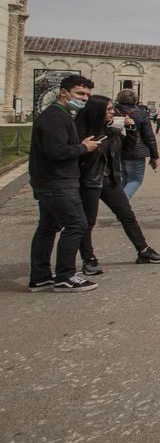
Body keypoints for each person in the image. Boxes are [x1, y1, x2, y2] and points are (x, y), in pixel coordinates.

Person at [74, 95, 160, 273]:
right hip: (90, 181)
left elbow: (127, 150)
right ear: (97, 112)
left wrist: (131, 129)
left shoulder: (111, 130)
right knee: (88, 221)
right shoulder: (83, 131)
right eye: (108, 109)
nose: (113, 112)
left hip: (110, 179)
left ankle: (143, 250)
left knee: (127, 215)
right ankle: (89, 258)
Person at [28, 74, 103, 292]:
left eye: (87, 95)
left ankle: (41, 276)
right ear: (64, 92)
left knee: (48, 227)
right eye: (80, 93)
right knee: (77, 224)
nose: (84, 98)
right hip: (57, 181)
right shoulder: (55, 117)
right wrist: (83, 148)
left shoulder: (59, 115)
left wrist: (79, 144)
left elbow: (56, 145)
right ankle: (65, 275)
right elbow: (55, 151)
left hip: (51, 180)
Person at [115, 89, 160, 199]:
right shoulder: (140, 114)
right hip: (136, 151)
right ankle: (121, 206)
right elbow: (149, 136)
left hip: (118, 150)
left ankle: (119, 207)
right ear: (136, 100)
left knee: (124, 179)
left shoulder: (113, 112)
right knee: (135, 180)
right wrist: (154, 156)